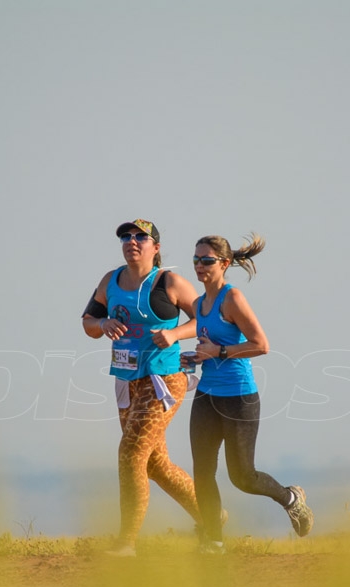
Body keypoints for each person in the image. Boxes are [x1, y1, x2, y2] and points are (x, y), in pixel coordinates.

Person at [81, 219, 204, 557]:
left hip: (164, 381)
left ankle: (126, 543)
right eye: (126, 236)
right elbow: (87, 323)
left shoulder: (170, 282)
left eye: (140, 237)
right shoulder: (111, 281)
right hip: (126, 381)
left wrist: (176, 334)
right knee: (154, 464)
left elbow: (207, 320)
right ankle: (211, 518)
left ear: (156, 248)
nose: (131, 242)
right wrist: (102, 322)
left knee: (130, 452)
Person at [187, 234, 313, 554]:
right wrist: (193, 357)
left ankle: (291, 498)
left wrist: (220, 351)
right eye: (196, 259)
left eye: (207, 260)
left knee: (242, 477)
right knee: (202, 471)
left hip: (239, 397)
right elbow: (210, 348)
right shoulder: (199, 304)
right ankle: (213, 541)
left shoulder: (233, 299)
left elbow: (261, 345)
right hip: (206, 395)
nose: (200, 266)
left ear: (224, 264)